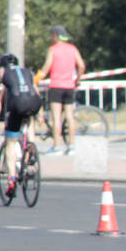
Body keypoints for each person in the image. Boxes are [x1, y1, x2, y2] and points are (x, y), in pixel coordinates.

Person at [0, 54, 43, 198]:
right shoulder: (27, 71)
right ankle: (30, 148)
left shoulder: (1, 72)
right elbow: (36, 92)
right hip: (34, 102)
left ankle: (11, 179)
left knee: (10, 142)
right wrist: (40, 114)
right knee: (29, 117)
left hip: (17, 104)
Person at [37, 24, 85, 155]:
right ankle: (71, 146)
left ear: (55, 36)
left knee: (56, 118)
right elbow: (81, 65)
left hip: (56, 86)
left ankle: (57, 146)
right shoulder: (73, 49)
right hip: (69, 86)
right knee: (70, 116)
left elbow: (46, 67)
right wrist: (77, 80)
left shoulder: (53, 50)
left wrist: (37, 79)